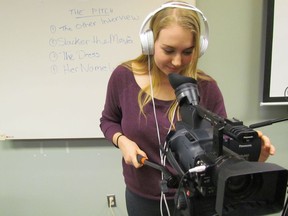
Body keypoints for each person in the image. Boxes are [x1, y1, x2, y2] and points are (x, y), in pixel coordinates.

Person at [100, 2, 275, 216]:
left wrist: (254, 156)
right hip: (142, 200)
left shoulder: (207, 88)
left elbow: (222, 147)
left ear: (198, 48)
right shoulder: (123, 77)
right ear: (150, 42)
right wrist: (122, 141)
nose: (177, 61)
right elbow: (108, 121)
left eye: (187, 52)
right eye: (168, 50)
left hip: (197, 201)